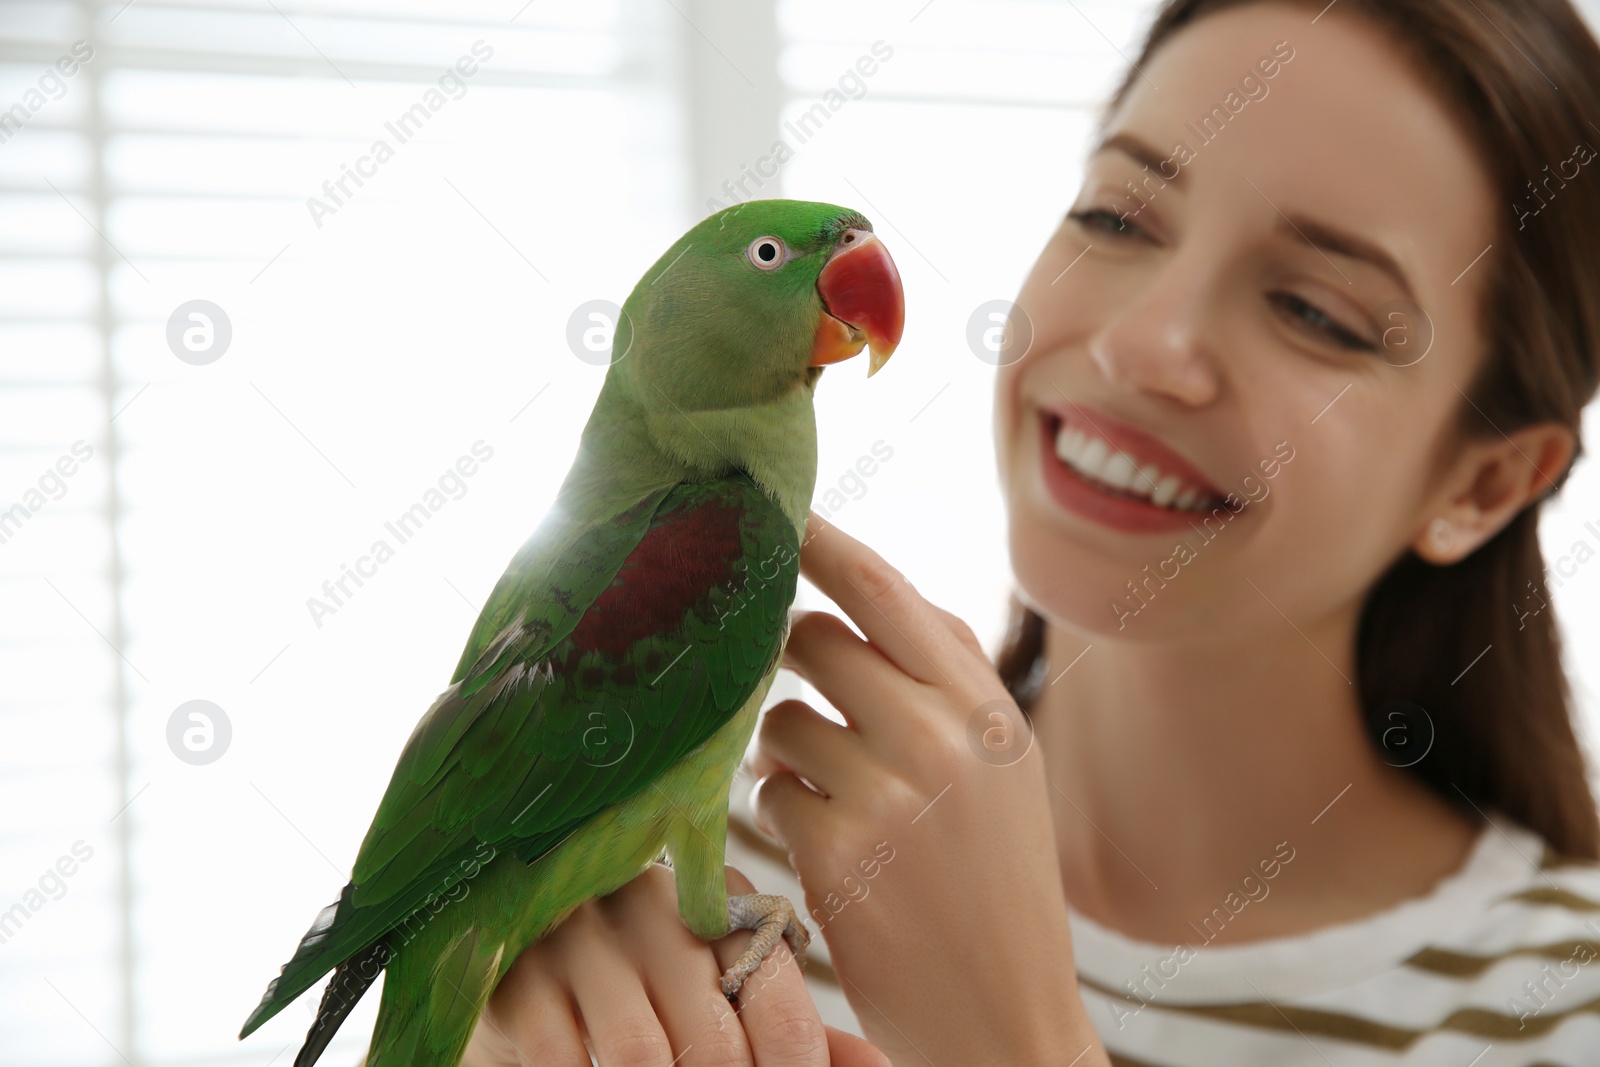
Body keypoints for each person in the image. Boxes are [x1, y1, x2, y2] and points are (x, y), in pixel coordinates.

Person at [457, 0, 1600, 1063]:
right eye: (1117, 216)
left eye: (1316, 311)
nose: (1141, 346)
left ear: (1486, 483)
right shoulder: (674, 895)